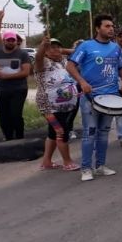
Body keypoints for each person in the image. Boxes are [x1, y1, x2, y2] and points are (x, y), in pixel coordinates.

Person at [67, 14, 122, 181]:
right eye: (107, 26)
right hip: (90, 97)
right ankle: (86, 168)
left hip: (110, 97)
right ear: (97, 28)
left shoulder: (115, 48)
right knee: (89, 133)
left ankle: (100, 166)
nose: (111, 29)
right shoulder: (86, 46)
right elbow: (70, 65)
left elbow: (121, 67)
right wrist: (81, 81)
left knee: (104, 133)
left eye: (112, 26)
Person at [34, 36, 79, 171]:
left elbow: (75, 52)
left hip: (64, 105)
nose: (55, 49)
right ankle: (67, 162)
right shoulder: (43, 63)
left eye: (57, 46)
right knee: (61, 131)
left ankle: (46, 161)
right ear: (45, 51)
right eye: (51, 47)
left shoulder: (64, 61)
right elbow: (38, 57)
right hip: (49, 105)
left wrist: (59, 50)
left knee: (53, 133)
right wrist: (43, 47)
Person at [0, 11, 32, 141]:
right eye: (8, 40)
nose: (11, 42)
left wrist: (5, 76)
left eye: (13, 40)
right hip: (1, 90)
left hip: (19, 89)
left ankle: (20, 139)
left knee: (15, 115)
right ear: (4, 40)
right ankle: (9, 140)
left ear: (16, 42)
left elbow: (25, 72)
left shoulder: (23, 54)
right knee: (4, 117)